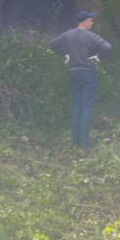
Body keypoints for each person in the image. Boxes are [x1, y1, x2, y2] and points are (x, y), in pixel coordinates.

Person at [49, 11, 111, 148]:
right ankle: (84, 143)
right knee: (86, 107)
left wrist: (65, 55)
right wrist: (98, 57)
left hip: (73, 74)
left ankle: (75, 141)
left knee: (76, 105)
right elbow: (107, 47)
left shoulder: (68, 35)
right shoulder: (91, 36)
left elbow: (52, 44)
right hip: (89, 74)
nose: (92, 23)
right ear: (86, 21)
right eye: (91, 20)